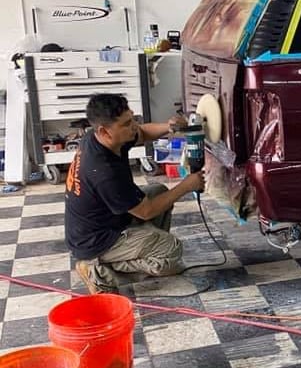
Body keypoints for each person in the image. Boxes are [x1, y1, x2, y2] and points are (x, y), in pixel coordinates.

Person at [65, 93, 205, 293]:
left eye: (132, 119)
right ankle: (99, 271)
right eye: (126, 123)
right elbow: (146, 211)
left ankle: (144, 245)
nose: (133, 126)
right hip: (96, 241)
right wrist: (186, 185)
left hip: (105, 220)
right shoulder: (104, 172)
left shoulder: (98, 138)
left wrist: (169, 127)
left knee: (158, 191)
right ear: (104, 131)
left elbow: (142, 133)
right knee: (171, 252)